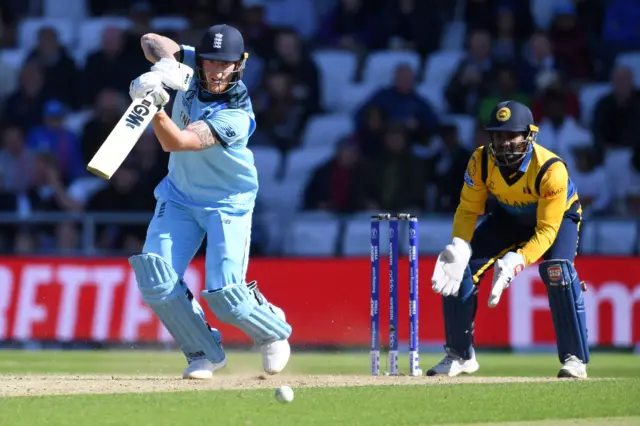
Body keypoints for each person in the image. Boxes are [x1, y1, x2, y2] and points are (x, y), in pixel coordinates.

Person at [127, 24, 292, 380]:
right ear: (200, 61)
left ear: (239, 65)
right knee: (155, 278)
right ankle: (203, 351)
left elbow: (179, 142)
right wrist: (165, 66)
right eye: (210, 63)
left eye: (225, 64)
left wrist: (154, 106)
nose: (217, 71)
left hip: (227, 201)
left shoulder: (237, 113)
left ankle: (272, 329)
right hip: (180, 195)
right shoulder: (190, 67)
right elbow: (150, 41)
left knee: (225, 295)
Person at [430, 100, 589, 379]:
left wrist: (517, 260)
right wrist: (458, 245)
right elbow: (468, 210)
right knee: (459, 268)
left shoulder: (551, 169)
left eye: (511, 136)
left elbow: (546, 231)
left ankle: (575, 359)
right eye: (498, 136)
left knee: (558, 271)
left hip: (557, 219)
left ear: (530, 136)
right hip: (508, 216)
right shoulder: (480, 161)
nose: (503, 144)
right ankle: (460, 354)